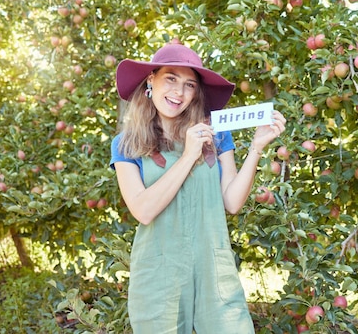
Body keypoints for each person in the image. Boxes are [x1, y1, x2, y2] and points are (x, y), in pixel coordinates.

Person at [109, 43, 286, 334]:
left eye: (189, 84)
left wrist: (256, 148)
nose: (179, 92)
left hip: (213, 270)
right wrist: (189, 155)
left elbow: (232, 201)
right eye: (171, 78)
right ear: (151, 80)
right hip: (158, 273)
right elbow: (142, 210)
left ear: (196, 93)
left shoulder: (216, 134)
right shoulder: (126, 144)